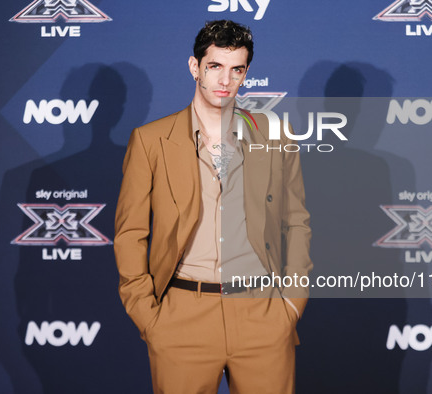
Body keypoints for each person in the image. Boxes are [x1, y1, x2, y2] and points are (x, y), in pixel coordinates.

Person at [114, 20, 312, 393]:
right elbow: (130, 233)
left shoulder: (274, 136)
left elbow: (297, 221)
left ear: (245, 74)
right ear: (195, 67)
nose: (225, 80)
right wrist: (148, 316)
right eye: (215, 67)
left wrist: (291, 304)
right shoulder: (151, 140)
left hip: (263, 312)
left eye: (236, 69)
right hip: (182, 314)